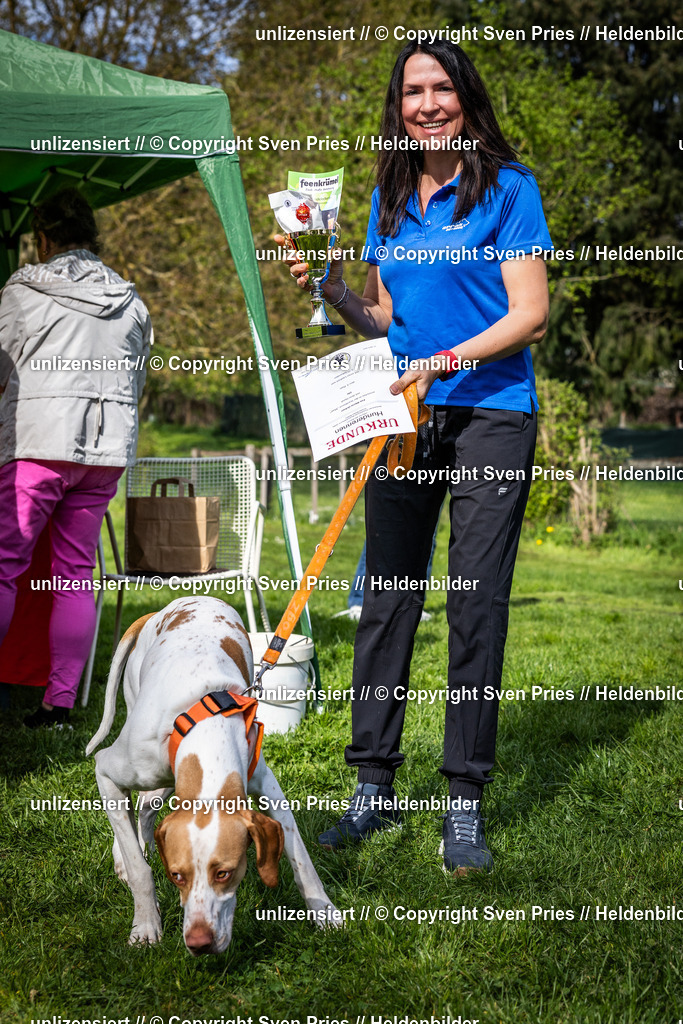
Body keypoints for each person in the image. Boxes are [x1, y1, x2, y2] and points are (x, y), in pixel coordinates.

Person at [279, 40, 551, 874]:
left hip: (489, 416)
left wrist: (444, 361)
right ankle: (371, 789)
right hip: (401, 416)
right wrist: (328, 287)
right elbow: (384, 317)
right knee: (387, 599)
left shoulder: (508, 189)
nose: (426, 103)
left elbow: (528, 314)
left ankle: (463, 803)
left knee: (473, 604)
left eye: (439, 88)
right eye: (410, 91)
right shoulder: (388, 197)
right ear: (397, 107)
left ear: (465, 97)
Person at [0, 188, 152, 727]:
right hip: (104, 453)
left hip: (37, 446)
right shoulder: (131, 301)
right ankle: (59, 704)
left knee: (4, 568)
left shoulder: (22, 290)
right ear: (93, 236)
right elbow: (137, 372)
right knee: (73, 576)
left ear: (42, 238)